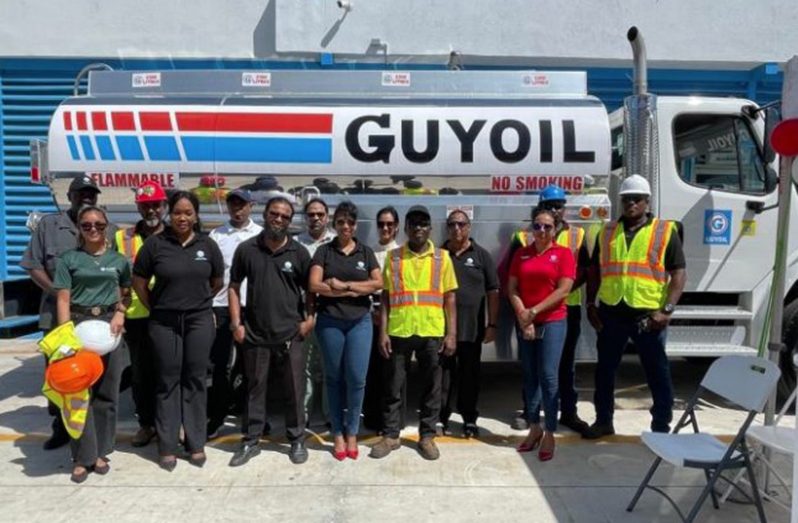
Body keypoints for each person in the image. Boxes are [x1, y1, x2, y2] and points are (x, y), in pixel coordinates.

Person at [583, 174, 686, 438]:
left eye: (637, 199)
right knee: (605, 371)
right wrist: (590, 304)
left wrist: (666, 311)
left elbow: (679, 273)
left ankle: (660, 426)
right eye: (627, 199)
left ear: (647, 202)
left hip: (648, 316)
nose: (631, 204)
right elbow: (595, 271)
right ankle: (603, 420)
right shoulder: (607, 232)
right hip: (612, 312)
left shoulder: (664, 231)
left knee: (657, 373)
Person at [21, 175, 116, 450]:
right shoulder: (49, 226)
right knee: (60, 374)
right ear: (69, 196)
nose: (86, 198)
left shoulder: (106, 227)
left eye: (91, 194)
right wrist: (57, 291)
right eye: (80, 193)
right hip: (57, 315)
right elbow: (32, 264)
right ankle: (61, 429)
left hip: (96, 318)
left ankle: (95, 436)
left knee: (95, 375)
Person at [132, 191, 224, 471]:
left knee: (195, 379)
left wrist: (196, 302)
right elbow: (139, 282)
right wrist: (159, 307)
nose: (182, 218)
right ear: (169, 214)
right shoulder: (155, 245)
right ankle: (167, 445)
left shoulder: (207, 245)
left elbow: (217, 281)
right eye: (177, 212)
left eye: (188, 212)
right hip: (164, 322)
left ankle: (196, 443)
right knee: (167, 381)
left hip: (198, 321)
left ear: (196, 215)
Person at [228, 197, 315, 467]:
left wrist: (309, 320)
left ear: (290, 222)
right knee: (255, 389)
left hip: (290, 334)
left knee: (294, 389)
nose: (279, 219)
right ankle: (251, 441)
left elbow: (311, 290)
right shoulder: (247, 249)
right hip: (255, 333)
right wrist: (236, 324)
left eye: (285, 216)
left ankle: (297, 439)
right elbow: (233, 286)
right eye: (274, 214)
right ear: (265, 215)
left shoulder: (299, 253)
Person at [370, 205, 458, 461]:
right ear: (406, 228)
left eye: (424, 224)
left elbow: (450, 298)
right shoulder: (394, 257)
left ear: (430, 228)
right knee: (393, 386)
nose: (419, 228)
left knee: (432, 387)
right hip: (399, 330)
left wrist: (451, 334)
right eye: (414, 224)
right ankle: (390, 435)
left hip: (432, 330)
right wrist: (383, 332)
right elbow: (385, 297)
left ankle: (427, 436)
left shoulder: (442, 258)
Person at [52, 206, 131, 482]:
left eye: (98, 224)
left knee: (107, 395)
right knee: (77, 396)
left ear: (107, 226)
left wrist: (121, 312)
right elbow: (62, 298)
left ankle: (100, 451)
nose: (93, 229)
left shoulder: (119, 260)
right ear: (79, 229)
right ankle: (82, 457)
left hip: (109, 329)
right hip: (78, 329)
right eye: (87, 225)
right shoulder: (69, 259)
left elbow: (126, 292)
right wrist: (65, 337)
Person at [309, 201, 382, 460]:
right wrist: (353, 289)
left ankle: (353, 431)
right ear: (334, 224)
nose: (346, 227)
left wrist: (343, 285)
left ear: (355, 225)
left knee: (357, 379)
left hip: (359, 322)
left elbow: (377, 283)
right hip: (330, 322)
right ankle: (338, 432)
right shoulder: (324, 252)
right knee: (334, 378)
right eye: (341, 222)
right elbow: (315, 285)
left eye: (350, 222)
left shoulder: (365, 252)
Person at [508, 207, 575, 462]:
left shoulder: (563, 254)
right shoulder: (522, 254)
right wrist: (523, 315)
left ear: (555, 228)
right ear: (531, 228)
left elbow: (563, 289)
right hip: (526, 322)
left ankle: (549, 432)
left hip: (553, 322)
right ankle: (534, 427)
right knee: (530, 376)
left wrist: (533, 311)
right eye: (538, 226)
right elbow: (512, 287)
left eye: (548, 226)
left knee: (548, 377)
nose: (542, 231)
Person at [115, 180, 167, 448]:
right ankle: (146, 424)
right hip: (136, 317)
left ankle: (168, 424)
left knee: (168, 372)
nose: (151, 211)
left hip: (168, 316)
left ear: (164, 206)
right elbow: (114, 278)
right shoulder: (122, 238)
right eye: (146, 206)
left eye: (155, 205)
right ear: (138, 206)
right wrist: (119, 311)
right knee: (140, 374)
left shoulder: (174, 235)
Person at [207, 188, 263, 439]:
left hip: (252, 307)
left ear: (251, 206)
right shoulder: (216, 235)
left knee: (253, 366)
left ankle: (251, 415)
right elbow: (210, 273)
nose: (237, 209)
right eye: (233, 204)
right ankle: (217, 415)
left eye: (242, 204)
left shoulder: (261, 235)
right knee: (220, 365)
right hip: (220, 307)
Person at [537, 185, 592, 435]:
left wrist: (565, 289)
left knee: (566, 364)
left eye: (558, 206)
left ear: (564, 208)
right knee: (538, 363)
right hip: (540, 311)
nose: (554, 210)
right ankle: (534, 412)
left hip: (568, 307)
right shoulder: (531, 234)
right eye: (549, 206)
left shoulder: (577, 235)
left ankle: (569, 413)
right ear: (542, 207)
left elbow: (586, 269)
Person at [439, 209, 499, 438]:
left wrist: (492, 324)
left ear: (469, 227)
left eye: (462, 224)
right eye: (452, 224)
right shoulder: (439, 255)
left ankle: (469, 419)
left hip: (472, 330)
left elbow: (493, 291)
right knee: (443, 377)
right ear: (447, 227)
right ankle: (441, 418)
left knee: (469, 376)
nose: (457, 229)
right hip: (442, 329)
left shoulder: (482, 255)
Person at [295, 198, 336, 427]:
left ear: (327, 217)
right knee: (306, 366)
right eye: (311, 214)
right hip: (303, 313)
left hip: (330, 312)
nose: (316, 218)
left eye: (320, 214)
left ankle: (331, 414)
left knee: (330, 364)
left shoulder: (335, 242)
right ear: (305, 217)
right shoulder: (296, 244)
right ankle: (305, 412)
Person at [362, 206, 401, 432]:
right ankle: (372, 418)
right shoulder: (369, 252)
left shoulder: (401, 254)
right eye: (381, 224)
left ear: (396, 226)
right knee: (372, 371)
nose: (385, 228)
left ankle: (392, 419)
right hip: (370, 316)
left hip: (395, 317)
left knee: (393, 373)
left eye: (389, 224)